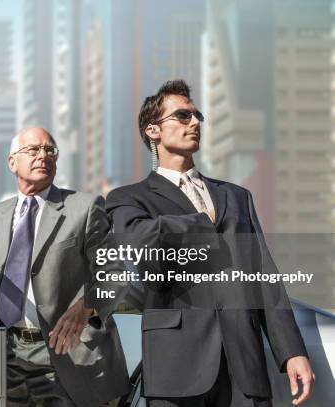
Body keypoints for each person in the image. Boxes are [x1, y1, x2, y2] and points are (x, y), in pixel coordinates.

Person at [105, 80, 315, 407]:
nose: (195, 122)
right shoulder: (128, 198)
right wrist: (203, 222)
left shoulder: (236, 196)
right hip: (176, 368)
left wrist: (292, 352)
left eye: (197, 115)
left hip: (244, 367)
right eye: (183, 115)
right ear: (153, 131)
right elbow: (138, 242)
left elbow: (265, 279)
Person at [0, 127, 129, 406]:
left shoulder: (85, 207)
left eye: (49, 150)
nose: (42, 156)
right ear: (12, 162)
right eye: (33, 150)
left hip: (69, 354)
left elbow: (116, 274)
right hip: (8, 356)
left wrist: (85, 307)